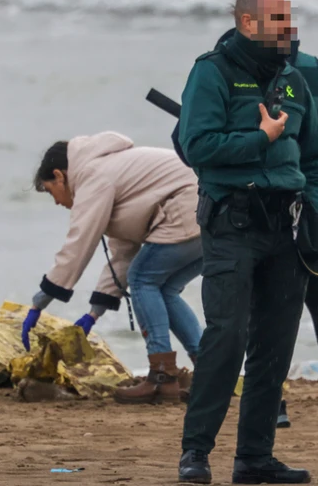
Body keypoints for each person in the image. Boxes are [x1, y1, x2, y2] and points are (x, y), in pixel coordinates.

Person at [176, 0, 318, 486]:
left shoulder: (295, 81)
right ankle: (195, 451)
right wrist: (260, 138)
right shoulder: (211, 73)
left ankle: (255, 457)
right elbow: (198, 146)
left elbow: (316, 158)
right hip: (231, 222)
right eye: (279, 19)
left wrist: (315, 209)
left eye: (289, 17)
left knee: (276, 342)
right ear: (247, 23)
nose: (290, 27)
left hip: (286, 226)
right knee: (227, 336)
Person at [208, 7, 318, 429]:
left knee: (254, 308)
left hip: (253, 208)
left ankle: (275, 402)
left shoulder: (225, 65)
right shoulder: (315, 71)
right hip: (313, 208)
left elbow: (190, 143)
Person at [20, 132, 203, 405]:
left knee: (142, 280)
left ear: (59, 175)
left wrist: (39, 302)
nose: (57, 202)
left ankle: (161, 378)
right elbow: (122, 253)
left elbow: (79, 243)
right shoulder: (112, 171)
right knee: (164, 289)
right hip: (208, 213)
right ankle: (210, 371)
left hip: (186, 208)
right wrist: (94, 314)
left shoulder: (92, 175)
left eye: (50, 191)